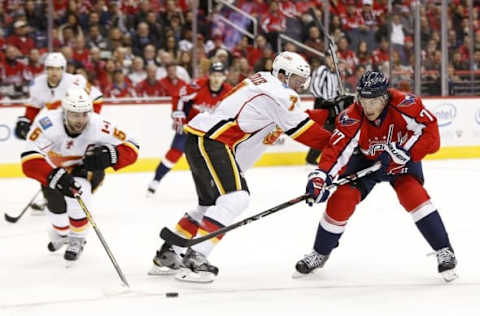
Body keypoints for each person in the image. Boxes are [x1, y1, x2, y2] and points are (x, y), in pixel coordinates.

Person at [148, 51, 332, 283]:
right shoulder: (279, 94)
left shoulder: (265, 82)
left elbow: (292, 116)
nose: (300, 85)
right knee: (236, 198)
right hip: (214, 142)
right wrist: (341, 141)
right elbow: (305, 131)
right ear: (283, 74)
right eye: (297, 79)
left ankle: (168, 253)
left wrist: (327, 113)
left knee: (210, 205)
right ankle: (196, 259)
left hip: (202, 139)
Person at [296, 71, 457, 282]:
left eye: (374, 102)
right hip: (364, 161)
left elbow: (431, 135)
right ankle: (320, 252)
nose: (368, 107)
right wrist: (320, 177)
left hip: (401, 159)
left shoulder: (406, 104)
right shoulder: (352, 116)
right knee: (341, 200)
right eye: (363, 100)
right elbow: (336, 151)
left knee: (414, 196)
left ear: (385, 97)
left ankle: (444, 250)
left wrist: (406, 151)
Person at [20, 88, 139, 261]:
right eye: (75, 115)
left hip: (85, 169)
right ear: (64, 112)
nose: (80, 120)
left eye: (84, 114)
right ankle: (63, 233)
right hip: (54, 172)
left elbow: (133, 146)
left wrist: (112, 154)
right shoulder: (47, 124)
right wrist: (52, 176)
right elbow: (28, 161)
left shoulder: (99, 125)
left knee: (79, 196)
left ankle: (77, 238)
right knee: (57, 215)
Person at [14, 52, 91, 212]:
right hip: (56, 127)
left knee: (77, 165)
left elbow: (94, 101)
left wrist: (85, 123)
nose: (54, 72)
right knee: (46, 161)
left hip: (75, 126)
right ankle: (50, 198)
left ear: (64, 69)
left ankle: (77, 198)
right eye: (50, 68)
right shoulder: (38, 84)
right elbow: (34, 106)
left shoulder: (76, 82)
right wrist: (26, 120)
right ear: (45, 69)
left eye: (57, 69)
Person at [146, 62, 232, 196]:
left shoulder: (229, 93)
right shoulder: (197, 85)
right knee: (174, 153)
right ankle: (156, 180)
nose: (216, 79)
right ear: (208, 75)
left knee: (211, 159)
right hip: (189, 126)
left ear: (224, 77)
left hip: (210, 130)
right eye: (214, 75)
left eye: (220, 76)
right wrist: (177, 113)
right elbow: (178, 96)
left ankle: (213, 187)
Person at [306, 52, 354, 167]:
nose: (333, 60)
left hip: (333, 105)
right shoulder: (322, 70)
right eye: (330, 58)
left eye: (335, 58)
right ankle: (312, 158)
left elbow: (337, 89)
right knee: (327, 131)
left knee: (335, 131)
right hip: (323, 104)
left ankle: (314, 157)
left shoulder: (335, 73)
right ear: (326, 59)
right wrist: (326, 102)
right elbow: (314, 88)